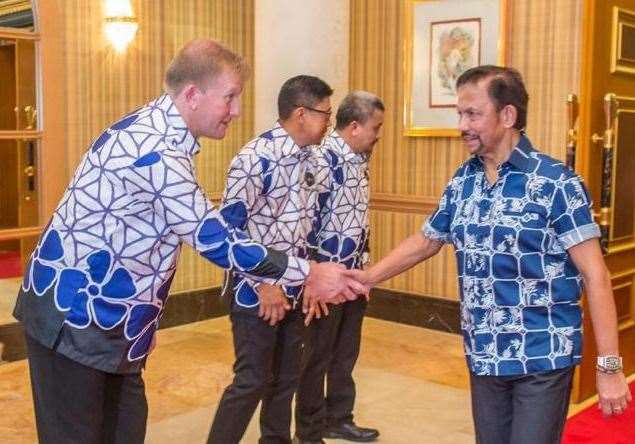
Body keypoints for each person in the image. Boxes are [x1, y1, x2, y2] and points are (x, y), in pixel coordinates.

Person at [13, 40, 363, 444]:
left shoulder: (162, 134)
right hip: (73, 317)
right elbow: (214, 239)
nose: (236, 111)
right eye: (230, 97)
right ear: (193, 94)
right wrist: (308, 272)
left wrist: (143, 319)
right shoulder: (155, 149)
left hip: (115, 325)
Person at [350, 66, 631, 444]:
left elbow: (595, 275)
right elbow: (428, 240)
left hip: (542, 355)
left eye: (472, 114)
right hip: (484, 353)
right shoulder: (464, 180)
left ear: (508, 115)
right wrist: (368, 277)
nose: (461, 125)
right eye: (459, 114)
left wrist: (609, 367)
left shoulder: (556, 183)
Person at [207, 75, 335, 444]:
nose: (329, 121)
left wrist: (309, 281)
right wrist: (264, 284)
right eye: (325, 113)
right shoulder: (253, 158)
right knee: (251, 381)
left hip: (294, 287)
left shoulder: (314, 159)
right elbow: (230, 231)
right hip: (254, 292)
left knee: (285, 380)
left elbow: (308, 228)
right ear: (301, 113)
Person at [295, 91, 384, 444]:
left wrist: (364, 270)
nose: (379, 134)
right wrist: (309, 276)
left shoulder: (359, 159)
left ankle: (339, 418)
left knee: (346, 352)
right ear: (354, 126)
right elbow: (305, 222)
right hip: (324, 278)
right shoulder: (322, 159)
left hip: (353, 276)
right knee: (316, 357)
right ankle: (310, 430)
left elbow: (355, 221)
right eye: (375, 127)